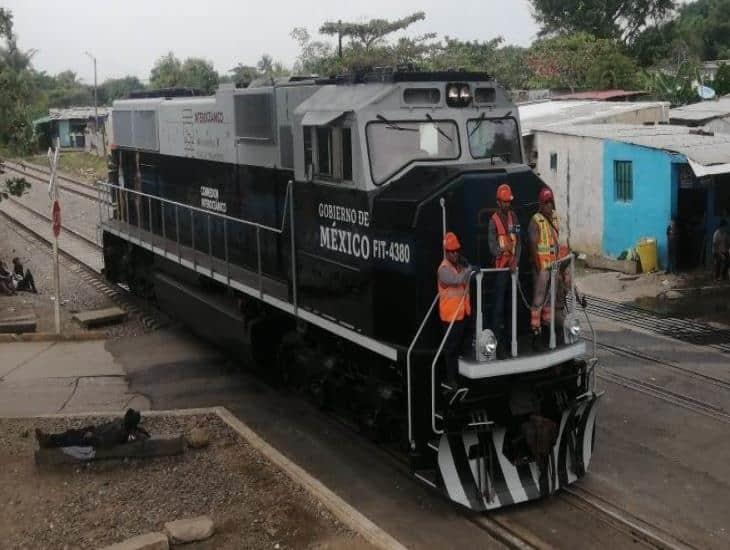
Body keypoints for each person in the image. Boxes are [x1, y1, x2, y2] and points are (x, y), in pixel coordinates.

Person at [487, 183, 521, 358]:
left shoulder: (513, 218)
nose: (507, 205)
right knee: (498, 308)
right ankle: (497, 345)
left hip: (512, 269)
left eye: (509, 202)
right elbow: (492, 247)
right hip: (500, 270)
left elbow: (519, 242)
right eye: (505, 202)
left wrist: (515, 260)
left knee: (511, 307)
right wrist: (505, 254)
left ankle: (510, 342)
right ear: (498, 202)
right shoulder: (493, 221)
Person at [438, 232, 473, 389]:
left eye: (457, 250)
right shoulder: (443, 270)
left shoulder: (459, 266)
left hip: (463, 314)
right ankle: (450, 378)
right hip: (450, 316)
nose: (456, 253)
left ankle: (462, 377)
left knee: (462, 347)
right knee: (451, 349)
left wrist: (467, 267)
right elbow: (457, 281)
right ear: (446, 252)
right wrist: (470, 270)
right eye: (452, 251)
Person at [528, 187, 559, 349]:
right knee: (538, 300)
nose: (549, 205)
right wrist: (539, 267)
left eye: (550, 202)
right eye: (546, 203)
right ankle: (536, 332)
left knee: (549, 300)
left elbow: (557, 243)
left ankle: (547, 329)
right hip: (542, 269)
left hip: (553, 268)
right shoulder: (536, 220)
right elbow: (532, 245)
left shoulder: (555, 219)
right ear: (541, 204)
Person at [35, 408, 149, 449]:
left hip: (92, 439)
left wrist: (92, 436)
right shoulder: (122, 425)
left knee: (71, 437)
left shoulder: (122, 432)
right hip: (94, 432)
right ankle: (48, 439)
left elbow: (106, 442)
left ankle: (48, 441)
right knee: (71, 433)